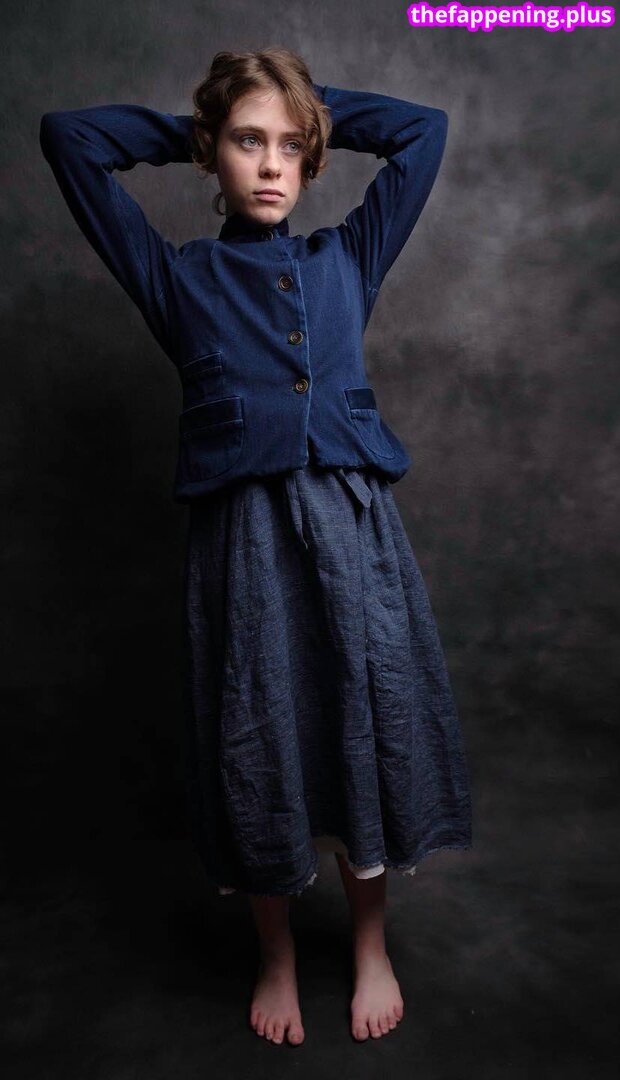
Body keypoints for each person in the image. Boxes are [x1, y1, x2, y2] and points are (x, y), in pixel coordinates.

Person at [40, 45, 472, 1046]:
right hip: (245, 546)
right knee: (259, 737)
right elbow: (70, 139)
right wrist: (202, 125)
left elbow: (423, 132)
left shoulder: (348, 258)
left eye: (289, 147)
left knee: (363, 724)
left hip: (353, 533)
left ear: (312, 156)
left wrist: (300, 106)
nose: (271, 165)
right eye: (246, 142)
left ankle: (370, 945)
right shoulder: (175, 277)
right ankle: (274, 955)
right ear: (214, 154)